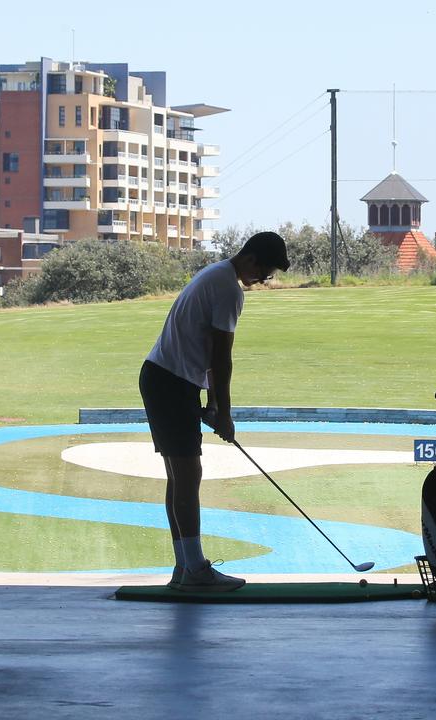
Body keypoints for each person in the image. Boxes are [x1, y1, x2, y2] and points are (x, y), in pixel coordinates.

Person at [139, 231, 290, 591]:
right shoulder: (228, 288)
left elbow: (206, 352)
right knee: (188, 475)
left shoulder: (216, 274)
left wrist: (212, 405)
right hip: (170, 382)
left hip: (164, 378)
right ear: (251, 259)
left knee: (179, 477)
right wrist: (224, 414)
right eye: (265, 273)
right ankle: (195, 570)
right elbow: (222, 359)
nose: (262, 281)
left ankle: (183, 567)